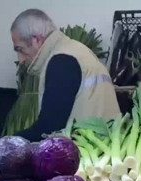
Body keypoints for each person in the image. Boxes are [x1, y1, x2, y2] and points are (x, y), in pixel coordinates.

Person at [11, 9, 120, 141]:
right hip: (103, 145)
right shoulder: (76, 51)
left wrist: (6, 141)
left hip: (86, 153)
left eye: (20, 49)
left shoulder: (61, 61)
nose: (21, 59)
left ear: (36, 40)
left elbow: (49, 128)